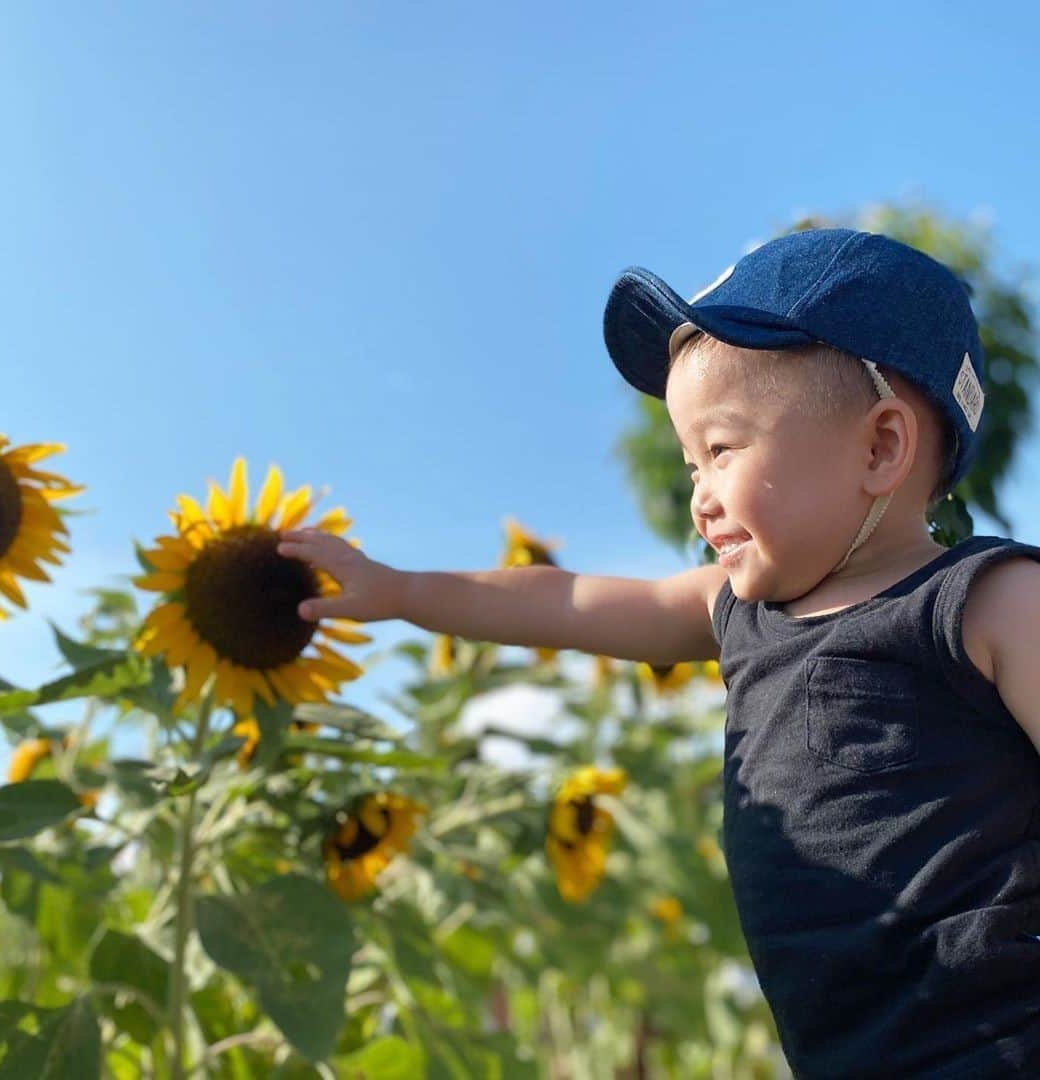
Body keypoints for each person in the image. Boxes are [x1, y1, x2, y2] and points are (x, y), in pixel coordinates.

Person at [277, 228, 1040, 1077]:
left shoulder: (989, 601)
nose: (700, 499)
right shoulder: (736, 611)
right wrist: (401, 592)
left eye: (721, 450)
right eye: (689, 464)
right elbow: (569, 600)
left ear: (880, 447)